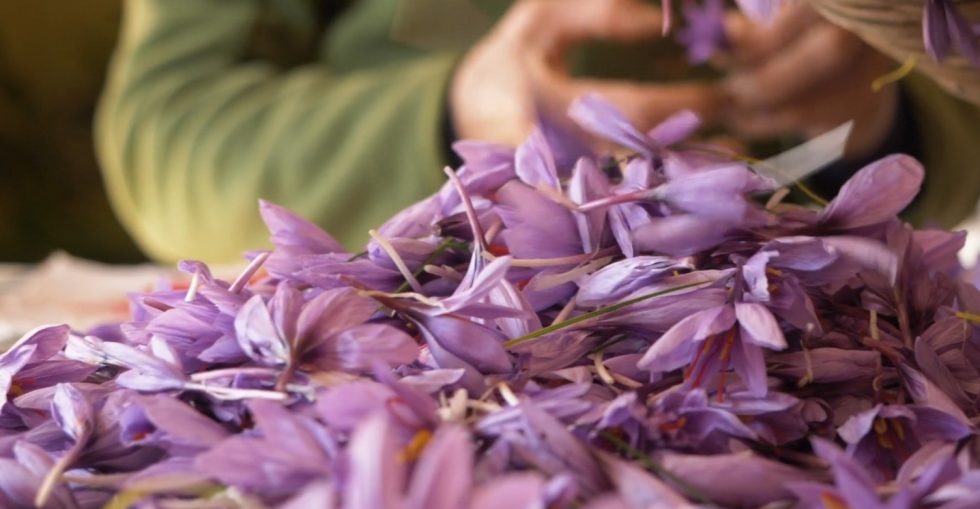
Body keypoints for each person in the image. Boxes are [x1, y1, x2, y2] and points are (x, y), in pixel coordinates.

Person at [96, 0, 980, 264]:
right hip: (428, 307)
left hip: (795, 300)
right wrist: (466, 115)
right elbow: (167, 134)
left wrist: (881, 111)